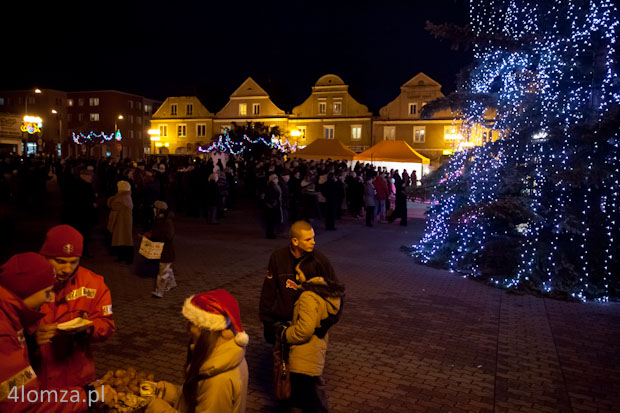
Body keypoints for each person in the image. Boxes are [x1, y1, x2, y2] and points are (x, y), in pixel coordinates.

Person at [0, 252, 116, 412]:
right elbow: (22, 403)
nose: (49, 299)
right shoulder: (4, 334)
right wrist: (89, 396)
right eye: (47, 291)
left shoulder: (9, 318)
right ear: (27, 289)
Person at [33, 225, 116, 390]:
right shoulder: (29, 283)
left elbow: (107, 324)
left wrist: (88, 329)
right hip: (38, 378)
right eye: (60, 262)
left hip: (78, 378)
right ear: (45, 256)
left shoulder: (94, 283)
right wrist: (31, 338)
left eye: (74, 262)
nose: (67, 269)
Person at [145, 289, 249, 413]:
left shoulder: (217, 381)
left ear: (207, 330)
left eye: (192, 323)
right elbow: (200, 397)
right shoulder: (226, 354)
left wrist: (157, 409)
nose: (188, 329)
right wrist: (167, 393)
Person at [259, 220, 341, 346]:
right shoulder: (278, 258)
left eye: (313, 238)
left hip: (307, 328)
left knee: (300, 365)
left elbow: (337, 292)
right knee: (279, 365)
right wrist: (268, 323)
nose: (313, 242)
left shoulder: (319, 260)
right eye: (308, 239)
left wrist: (324, 326)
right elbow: (268, 292)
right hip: (282, 325)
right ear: (295, 241)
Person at [281, 255, 345, 412]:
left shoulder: (308, 296)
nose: (296, 277)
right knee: (311, 400)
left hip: (303, 356)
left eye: (299, 273)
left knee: (299, 402)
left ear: (309, 273)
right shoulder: (325, 294)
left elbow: (305, 330)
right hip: (315, 354)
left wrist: (285, 333)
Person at [149, 201, 177, 298]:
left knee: (163, 272)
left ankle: (159, 291)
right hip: (164, 250)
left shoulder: (166, 221)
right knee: (167, 269)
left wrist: (154, 235)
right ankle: (172, 284)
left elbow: (168, 236)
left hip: (166, 250)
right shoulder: (160, 219)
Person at [107, 180, 134, 264]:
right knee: (123, 239)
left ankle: (127, 258)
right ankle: (123, 257)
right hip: (122, 221)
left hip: (122, 221)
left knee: (125, 239)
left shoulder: (122, 197)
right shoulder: (124, 196)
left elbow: (113, 205)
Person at [264, 173, 283, 239]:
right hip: (272, 207)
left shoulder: (275, 185)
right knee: (271, 221)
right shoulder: (271, 186)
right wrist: (273, 204)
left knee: (272, 221)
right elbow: (270, 196)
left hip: (274, 206)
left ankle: (271, 233)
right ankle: (270, 234)